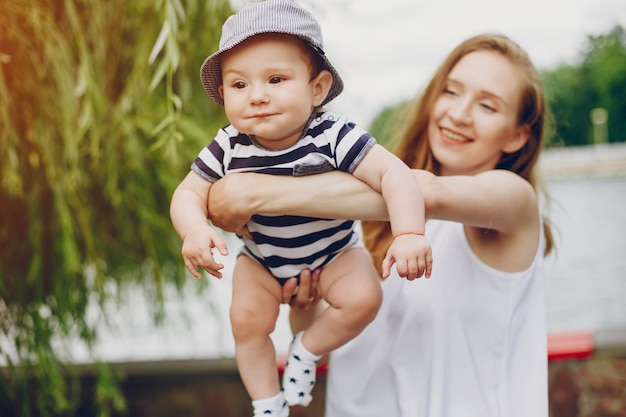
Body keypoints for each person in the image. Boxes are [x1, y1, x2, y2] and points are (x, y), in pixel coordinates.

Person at [207, 32, 556, 417]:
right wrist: (302, 302)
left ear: (517, 135)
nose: (458, 114)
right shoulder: (373, 222)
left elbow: (425, 189)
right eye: (451, 92)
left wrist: (253, 190)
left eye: (488, 106)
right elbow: (329, 335)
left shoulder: (513, 202)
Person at [169, 1, 432, 416]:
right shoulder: (228, 145)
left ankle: (306, 350)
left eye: (275, 79)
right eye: (239, 85)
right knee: (245, 320)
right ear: (223, 96)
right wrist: (194, 230)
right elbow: (188, 192)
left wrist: (409, 233)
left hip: (334, 255)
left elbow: (393, 174)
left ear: (317, 88)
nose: (257, 96)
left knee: (365, 298)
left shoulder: (332, 134)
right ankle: (267, 403)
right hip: (263, 261)